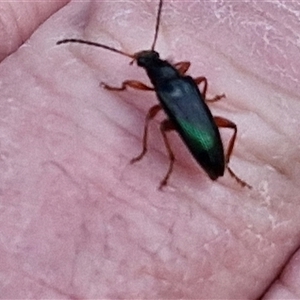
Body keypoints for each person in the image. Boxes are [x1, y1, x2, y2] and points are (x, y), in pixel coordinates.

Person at [1, 1, 299, 299]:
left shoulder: (165, 89)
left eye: (145, 61)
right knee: (215, 125)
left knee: (156, 121)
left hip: (200, 133)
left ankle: (200, 163)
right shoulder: (180, 81)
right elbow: (197, 84)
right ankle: (220, 166)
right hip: (198, 125)